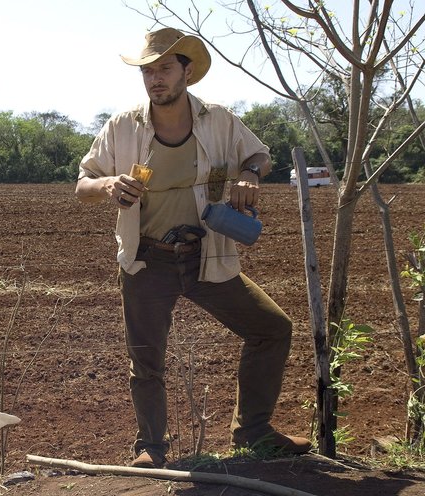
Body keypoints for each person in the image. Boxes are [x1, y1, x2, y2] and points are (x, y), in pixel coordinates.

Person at [75, 28, 311, 469]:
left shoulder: (219, 120)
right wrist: (108, 183)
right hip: (147, 260)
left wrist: (251, 175)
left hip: (208, 256)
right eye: (148, 71)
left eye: (164, 68)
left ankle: (253, 432)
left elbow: (260, 156)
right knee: (145, 359)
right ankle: (151, 449)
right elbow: (82, 184)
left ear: (187, 71)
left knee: (272, 329)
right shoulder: (122, 126)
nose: (155, 79)